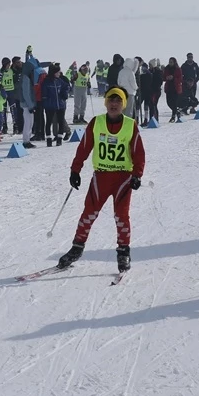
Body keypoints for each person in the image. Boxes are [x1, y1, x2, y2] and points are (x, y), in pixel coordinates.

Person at [57, 87, 147, 273]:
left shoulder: (130, 125)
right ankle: (77, 248)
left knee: (121, 216)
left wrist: (137, 174)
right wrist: (75, 170)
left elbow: (139, 152)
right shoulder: (96, 123)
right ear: (105, 103)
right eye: (110, 101)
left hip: (123, 177)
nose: (114, 104)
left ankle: (123, 252)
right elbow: (84, 148)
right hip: (101, 176)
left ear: (123, 104)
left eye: (118, 101)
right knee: (89, 213)